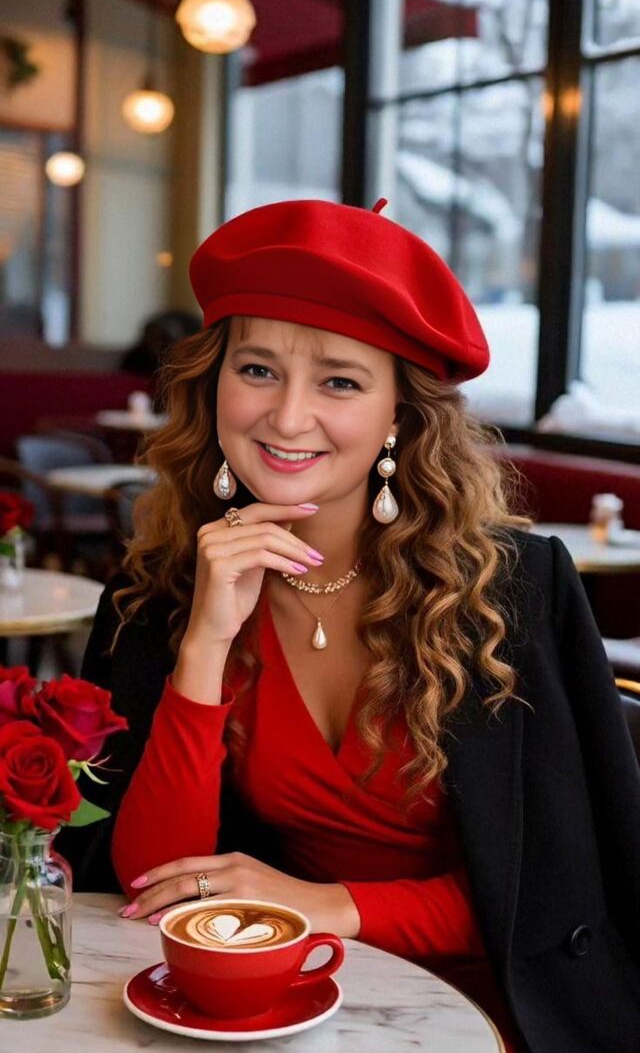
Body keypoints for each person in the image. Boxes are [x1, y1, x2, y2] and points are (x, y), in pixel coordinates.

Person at [62, 199, 640, 1053]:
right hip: (288, 995)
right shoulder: (160, 593)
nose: (287, 417)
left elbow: (558, 891)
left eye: (339, 381)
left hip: (505, 1007)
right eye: (257, 369)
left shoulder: (513, 589)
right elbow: (154, 883)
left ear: (399, 413)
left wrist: (327, 903)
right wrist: (205, 646)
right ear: (214, 384)